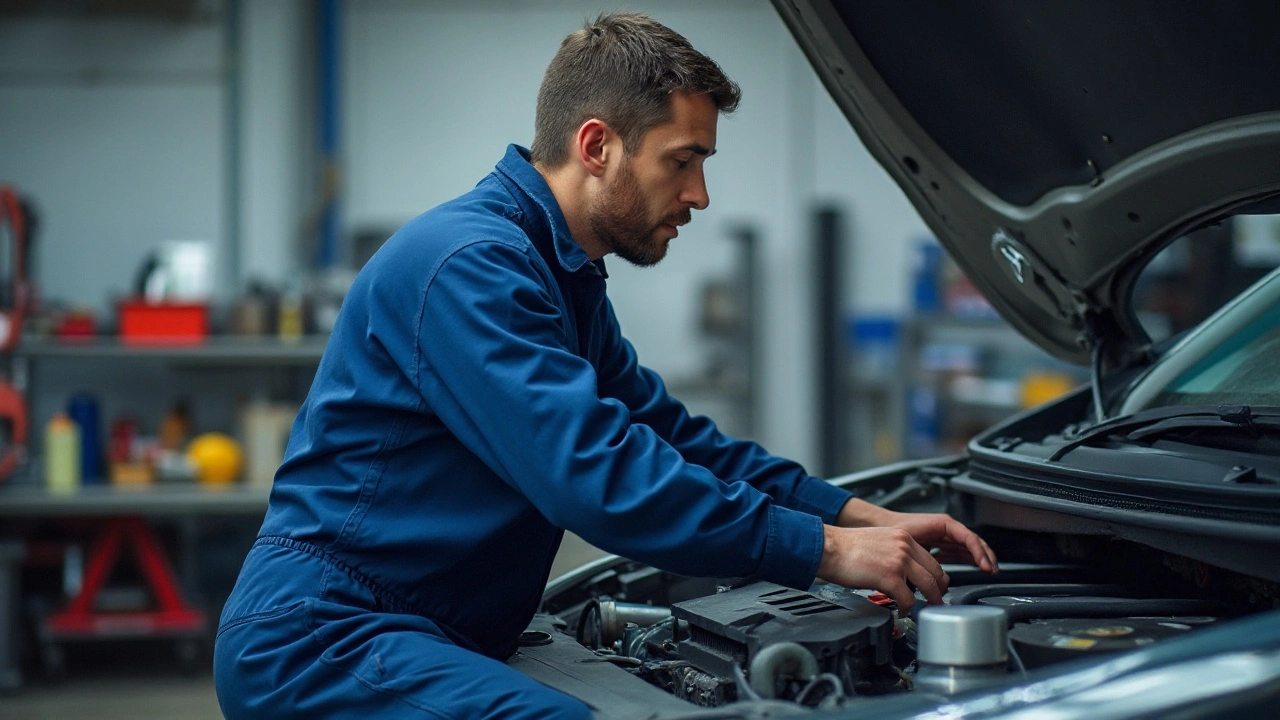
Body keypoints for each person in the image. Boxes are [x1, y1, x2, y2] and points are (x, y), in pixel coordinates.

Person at [214, 12, 997, 720]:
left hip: (434, 630)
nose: (700, 195)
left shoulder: (559, 278)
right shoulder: (469, 266)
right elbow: (595, 476)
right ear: (597, 146)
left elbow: (670, 437)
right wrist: (823, 552)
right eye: (683, 161)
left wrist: (856, 515)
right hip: (324, 639)